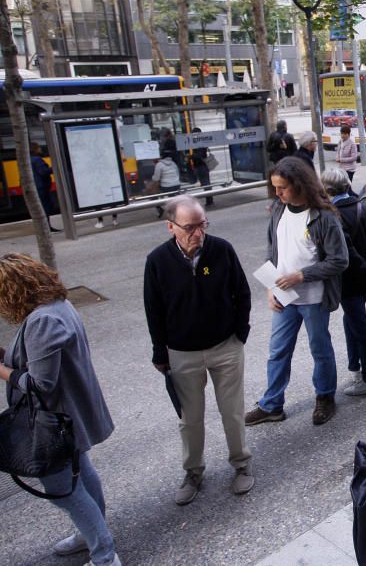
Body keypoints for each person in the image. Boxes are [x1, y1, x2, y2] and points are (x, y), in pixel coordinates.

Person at [0, 253, 119, 565]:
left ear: (14, 290)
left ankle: (104, 555)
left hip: (57, 419)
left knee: (62, 487)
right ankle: (90, 535)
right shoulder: (58, 305)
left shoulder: (42, 321)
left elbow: (40, 384)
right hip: (71, 414)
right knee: (82, 471)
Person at [143, 195, 253, 505]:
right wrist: (159, 352)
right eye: (190, 227)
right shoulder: (158, 261)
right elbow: (154, 310)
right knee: (190, 418)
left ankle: (241, 464)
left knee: (232, 411)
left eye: (202, 224)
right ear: (171, 227)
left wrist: (240, 333)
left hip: (224, 345)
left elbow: (241, 292)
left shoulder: (221, 250)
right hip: (182, 352)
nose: (198, 233)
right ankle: (193, 471)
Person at [245, 157, 349, 427]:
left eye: (283, 188)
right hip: (284, 297)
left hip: (313, 298)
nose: (277, 194)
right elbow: (273, 251)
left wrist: (302, 275)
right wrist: (271, 286)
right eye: (275, 188)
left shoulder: (324, 217)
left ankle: (325, 397)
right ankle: (272, 405)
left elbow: (340, 260)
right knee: (277, 350)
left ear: (300, 185)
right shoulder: (279, 209)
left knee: (320, 349)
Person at [323, 168, 366, 397]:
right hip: (365, 280)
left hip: (349, 281)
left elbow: (350, 256)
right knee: (351, 320)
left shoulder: (334, 217)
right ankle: (355, 367)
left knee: (359, 324)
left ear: (328, 190)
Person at [30, 142, 60, 232]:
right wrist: (54, 167)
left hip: (36, 187)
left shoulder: (30, 159)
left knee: (42, 208)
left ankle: (45, 228)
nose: (40, 149)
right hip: (41, 187)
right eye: (38, 147)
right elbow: (43, 172)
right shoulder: (37, 159)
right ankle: (47, 228)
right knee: (46, 207)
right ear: (35, 149)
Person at [188, 127, 215, 207]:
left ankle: (209, 201)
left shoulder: (200, 143)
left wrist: (191, 156)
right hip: (202, 166)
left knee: (206, 184)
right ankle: (209, 200)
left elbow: (199, 155)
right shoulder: (201, 142)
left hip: (201, 166)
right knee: (205, 183)